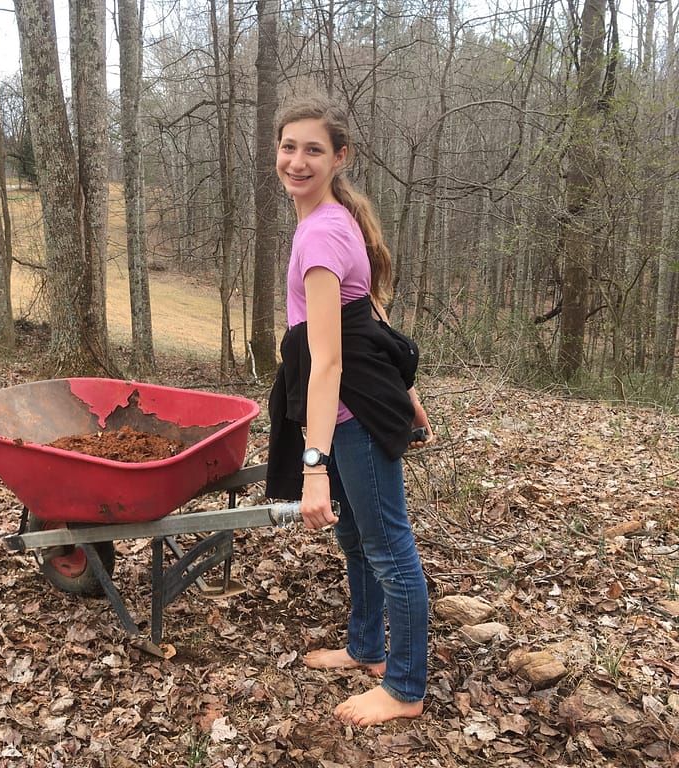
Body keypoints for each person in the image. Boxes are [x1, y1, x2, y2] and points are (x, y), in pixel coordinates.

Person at [264, 93, 436, 727]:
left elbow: (328, 361)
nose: (298, 160)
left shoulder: (321, 236)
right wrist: (408, 391)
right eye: (289, 147)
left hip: (349, 411)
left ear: (340, 158)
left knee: (388, 546)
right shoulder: (333, 221)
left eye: (314, 150)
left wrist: (312, 467)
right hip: (361, 398)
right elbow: (372, 314)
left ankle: (405, 686)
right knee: (356, 537)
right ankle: (366, 646)